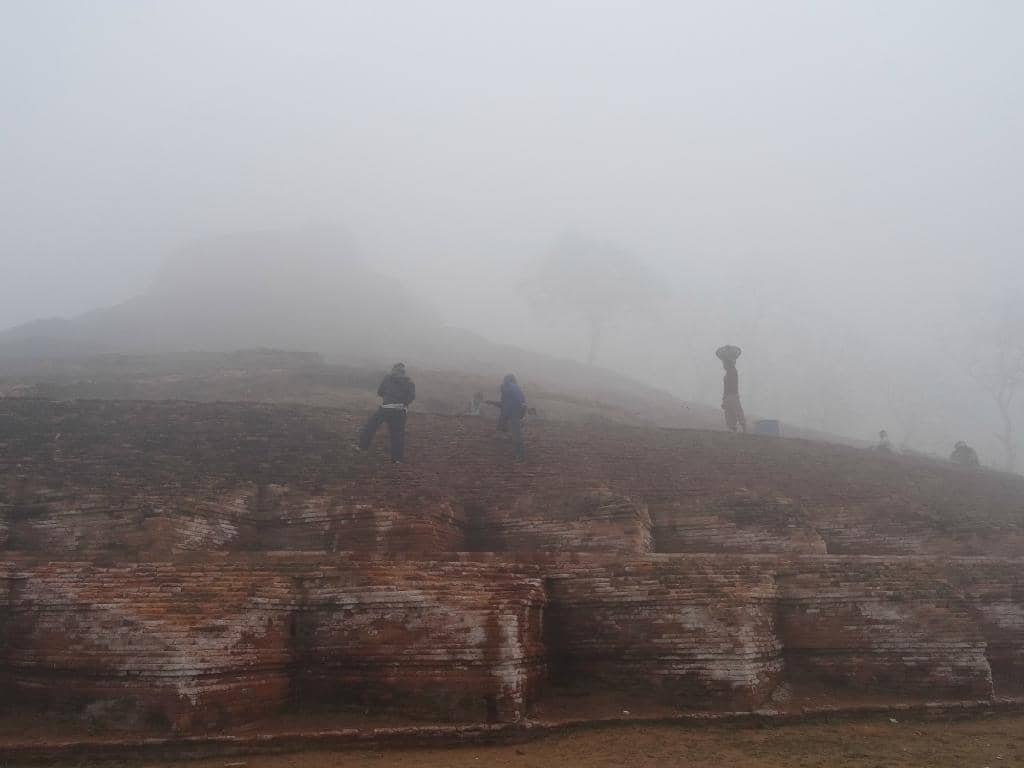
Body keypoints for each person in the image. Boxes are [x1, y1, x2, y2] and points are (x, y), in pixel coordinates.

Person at [357, 363, 416, 462]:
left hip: (386, 408)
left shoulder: (388, 378)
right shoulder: (410, 382)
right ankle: (397, 459)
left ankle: (362, 447)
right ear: (404, 372)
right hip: (401, 411)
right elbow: (411, 398)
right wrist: (402, 403)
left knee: (370, 426)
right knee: (397, 434)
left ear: (393, 370)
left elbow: (380, 392)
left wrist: (389, 397)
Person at [716, 345, 746, 433]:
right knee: (729, 415)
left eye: (725, 363)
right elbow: (725, 388)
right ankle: (733, 430)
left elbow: (730, 386)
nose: (723, 365)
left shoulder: (733, 371)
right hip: (728, 396)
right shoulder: (728, 374)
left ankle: (744, 429)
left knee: (737, 412)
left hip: (733, 395)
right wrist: (724, 399)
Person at [497, 373, 527, 461]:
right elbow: (522, 403)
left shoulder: (506, 386)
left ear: (506, 380)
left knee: (516, 434)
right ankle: (519, 454)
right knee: (516, 433)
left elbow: (504, 403)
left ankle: (520, 456)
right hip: (517, 411)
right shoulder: (517, 388)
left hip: (512, 412)